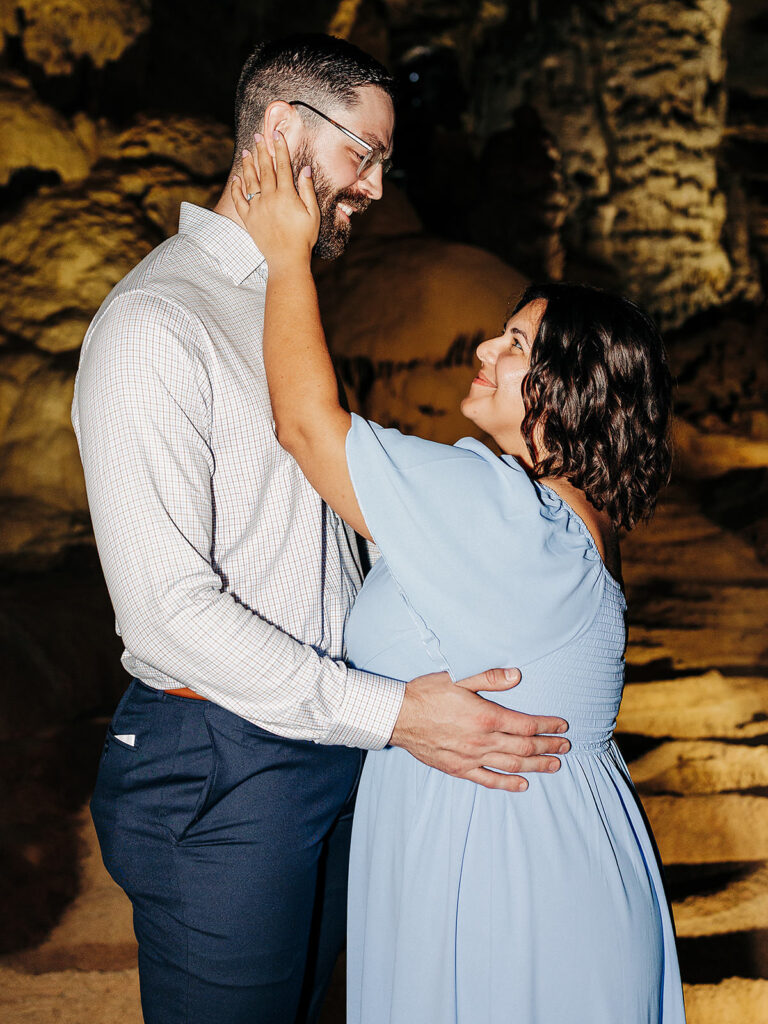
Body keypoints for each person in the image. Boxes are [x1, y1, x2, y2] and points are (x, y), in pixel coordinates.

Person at [71, 34, 570, 1024]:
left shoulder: (272, 307)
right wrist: (394, 714)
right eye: (365, 154)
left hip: (321, 736)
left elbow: (324, 537)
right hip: (222, 758)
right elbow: (167, 612)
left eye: (384, 163)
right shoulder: (155, 323)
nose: (377, 187)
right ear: (285, 129)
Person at [231, 135, 687, 1022]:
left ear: (569, 389)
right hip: (548, 856)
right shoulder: (570, 526)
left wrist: (287, 255)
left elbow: (309, 428)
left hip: (502, 882)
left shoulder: (503, 513)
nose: (485, 345)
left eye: (516, 343)